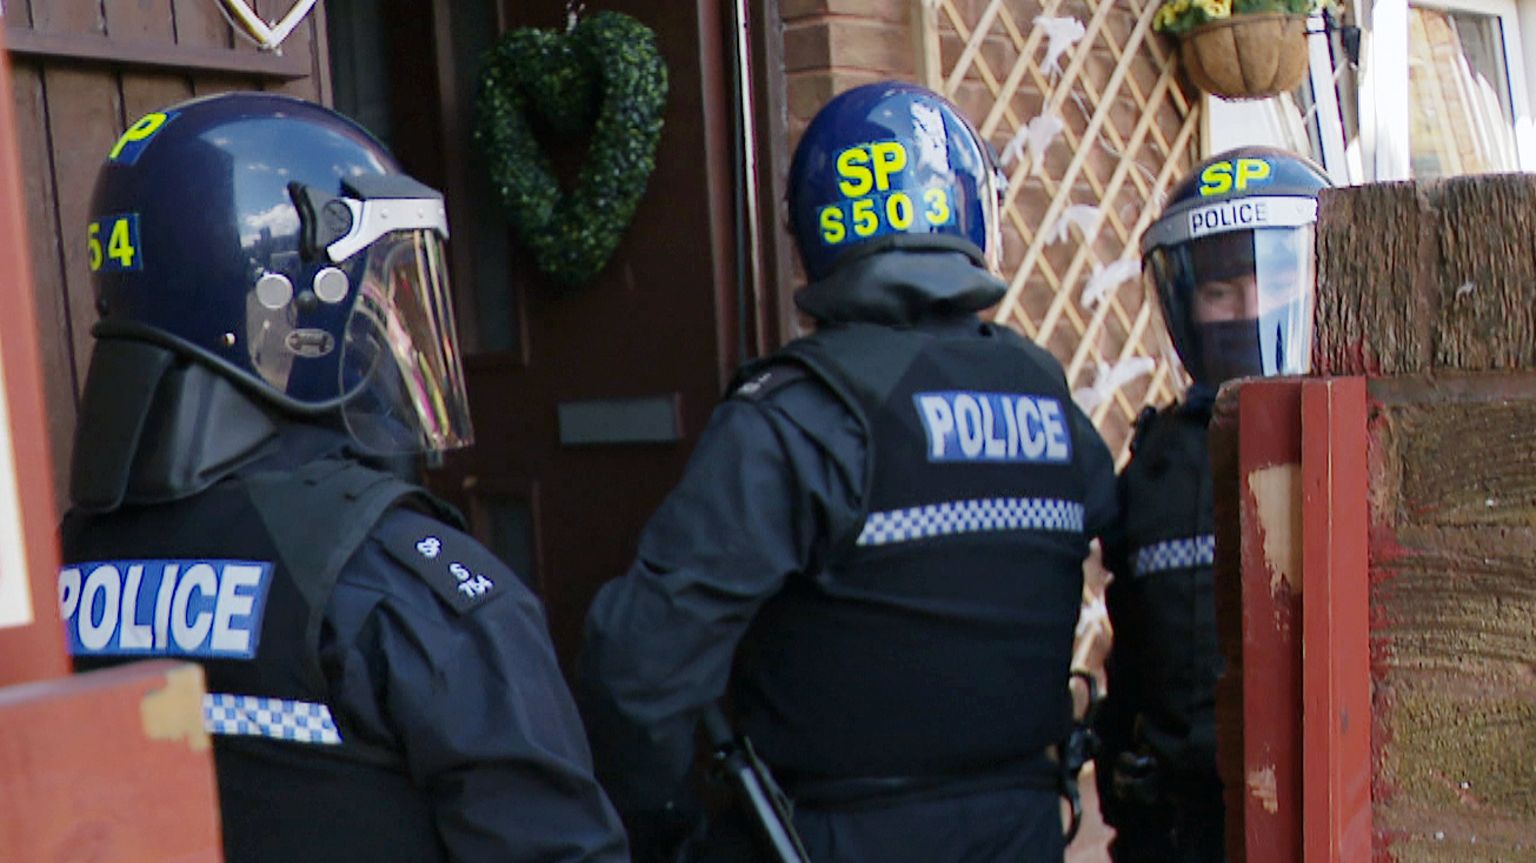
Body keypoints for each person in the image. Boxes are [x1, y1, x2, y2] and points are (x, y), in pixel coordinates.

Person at [56, 92, 629, 863]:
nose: (391, 328)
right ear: (286, 301)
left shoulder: (54, 572)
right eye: (376, 294)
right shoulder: (399, 588)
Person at [575, 81, 1118, 863]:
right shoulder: (1046, 396)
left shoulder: (797, 413)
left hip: (833, 836)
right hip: (1021, 828)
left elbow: (635, 669)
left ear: (814, 232)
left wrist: (665, 826)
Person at [1094, 146, 1331, 862]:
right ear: (1184, 302)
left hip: (1313, 811)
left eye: (1273, 278)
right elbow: (1132, 653)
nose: (1249, 308)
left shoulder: (1363, 444)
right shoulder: (1155, 467)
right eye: (1221, 290)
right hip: (1177, 826)